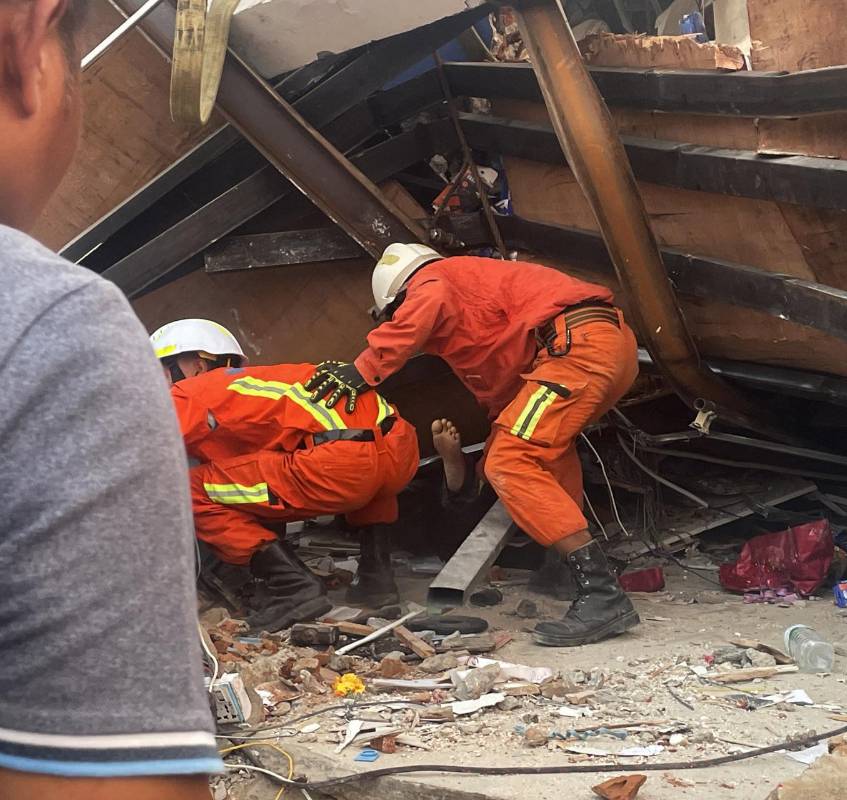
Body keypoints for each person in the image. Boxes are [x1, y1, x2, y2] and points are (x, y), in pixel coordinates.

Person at [0, 1, 223, 795]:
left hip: (329, 482)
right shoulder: (51, 326)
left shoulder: (202, 391)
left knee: (223, 500)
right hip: (369, 477)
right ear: (32, 37)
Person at [307, 244, 641, 647]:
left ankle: (603, 594)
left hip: (576, 349)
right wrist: (489, 455)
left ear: (400, 298)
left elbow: (426, 302)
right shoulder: (472, 305)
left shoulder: (435, 280)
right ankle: (562, 571)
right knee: (540, 453)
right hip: (597, 346)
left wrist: (363, 369)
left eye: (396, 315)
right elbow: (504, 393)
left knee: (512, 461)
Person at [153, 319, 420, 629]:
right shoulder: (264, 384)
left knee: (189, 491)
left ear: (197, 365)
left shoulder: (189, 392)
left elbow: (140, 446)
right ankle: (377, 580)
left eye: (160, 372)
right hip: (400, 451)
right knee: (362, 462)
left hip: (342, 466)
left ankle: (294, 587)